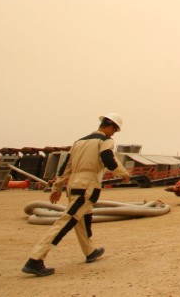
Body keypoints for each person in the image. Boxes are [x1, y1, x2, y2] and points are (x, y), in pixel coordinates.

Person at [22, 113, 131, 277]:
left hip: (73, 185)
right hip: (88, 186)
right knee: (66, 221)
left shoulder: (78, 142)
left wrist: (57, 187)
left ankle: (90, 251)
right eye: (114, 131)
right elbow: (109, 160)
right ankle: (35, 258)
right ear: (110, 127)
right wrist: (124, 174)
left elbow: (66, 167)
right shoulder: (105, 141)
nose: (113, 134)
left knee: (83, 218)